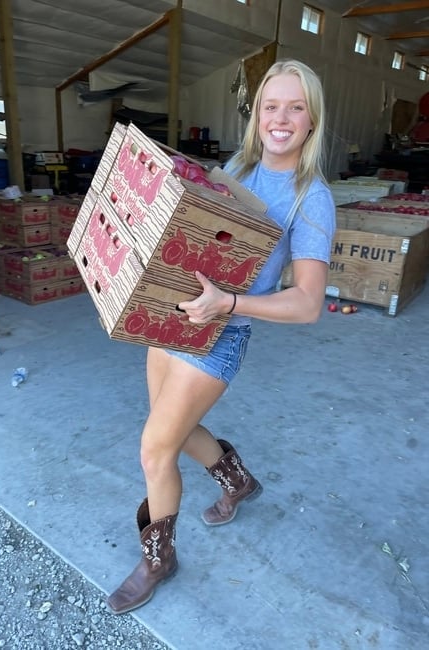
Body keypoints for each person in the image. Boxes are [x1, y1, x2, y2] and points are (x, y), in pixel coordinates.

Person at [107, 59, 336, 615]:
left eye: (295, 107)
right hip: (175, 321)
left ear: (312, 120)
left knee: (154, 448)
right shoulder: (239, 167)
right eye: (270, 106)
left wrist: (228, 303)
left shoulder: (312, 198)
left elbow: (308, 305)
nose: (281, 118)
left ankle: (158, 558)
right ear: (257, 114)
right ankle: (237, 481)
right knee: (178, 432)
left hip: (220, 334)